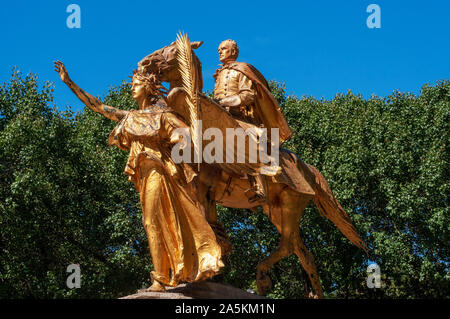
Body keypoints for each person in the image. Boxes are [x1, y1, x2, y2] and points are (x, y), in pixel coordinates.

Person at [54, 61, 224, 291]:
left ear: (148, 88)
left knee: (152, 221)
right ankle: (167, 273)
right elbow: (98, 106)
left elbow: (186, 135)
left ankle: (161, 279)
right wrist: (69, 83)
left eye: (136, 85)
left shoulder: (163, 115)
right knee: (156, 223)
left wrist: (178, 139)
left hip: (158, 171)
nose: (131, 88)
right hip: (143, 178)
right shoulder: (131, 117)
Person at [213, 40, 293, 203]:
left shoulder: (242, 70)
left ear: (233, 52)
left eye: (224, 49)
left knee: (249, 138)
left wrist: (226, 102)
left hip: (240, 117)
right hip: (221, 116)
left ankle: (259, 187)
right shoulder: (219, 74)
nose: (220, 52)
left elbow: (248, 95)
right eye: (219, 50)